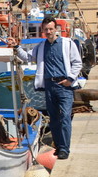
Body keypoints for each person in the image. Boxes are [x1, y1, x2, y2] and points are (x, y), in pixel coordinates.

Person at [7, 16, 82, 159]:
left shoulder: (68, 43)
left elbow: (77, 63)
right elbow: (28, 57)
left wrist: (70, 79)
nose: (48, 31)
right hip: (49, 85)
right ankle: (59, 147)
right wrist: (16, 46)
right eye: (46, 29)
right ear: (43, 31)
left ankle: (65, 149)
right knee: (53, 118)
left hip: (64, 86)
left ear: (56, 29)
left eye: (51, 29)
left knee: (65, 116)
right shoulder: (41, 46)